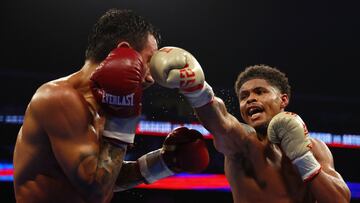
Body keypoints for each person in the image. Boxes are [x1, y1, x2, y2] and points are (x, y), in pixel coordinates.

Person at [13, 10, 209, 203]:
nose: (151, 77)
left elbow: (106, 176)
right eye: (149, 61)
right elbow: (96, 191)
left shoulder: (105, 106)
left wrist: (164, 162)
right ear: (124, 51)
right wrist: (123, 118)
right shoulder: (58, 98)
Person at [150, 47, 351, 202]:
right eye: (244, 96)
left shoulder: (315, 147)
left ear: (283, 99)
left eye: (260, 92)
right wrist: (197, 90)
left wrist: (302, 156)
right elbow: (221, 122)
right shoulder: (244, 143)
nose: (250, 100)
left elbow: (340, 199)